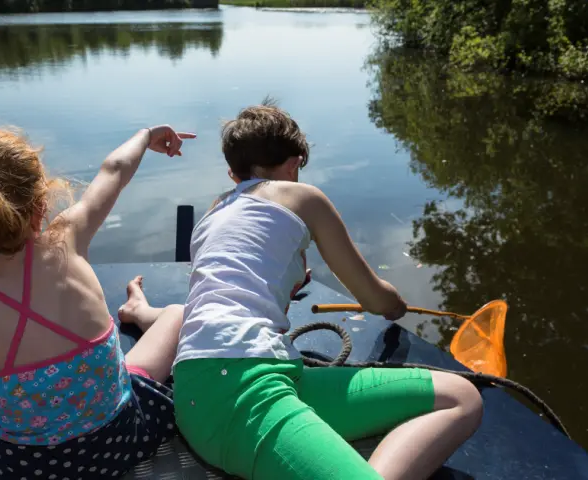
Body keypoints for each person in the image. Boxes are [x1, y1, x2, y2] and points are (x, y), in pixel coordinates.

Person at [171, 101, 483, 480]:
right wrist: (394, 304)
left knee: (460, 397)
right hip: (239, 392)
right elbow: (373, 299)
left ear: (233, 173)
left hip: (245, 380)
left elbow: (212, 301)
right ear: (294, 164)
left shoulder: (212, 214)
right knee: (462, 401)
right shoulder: (302, 197)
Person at [0, 125, 194, 479]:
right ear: (41, 202)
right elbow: (114, 170)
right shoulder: (69, 238)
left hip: (21, 468)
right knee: (175, 314)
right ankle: (136, 313)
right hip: (120, 443)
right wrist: (145, 136)